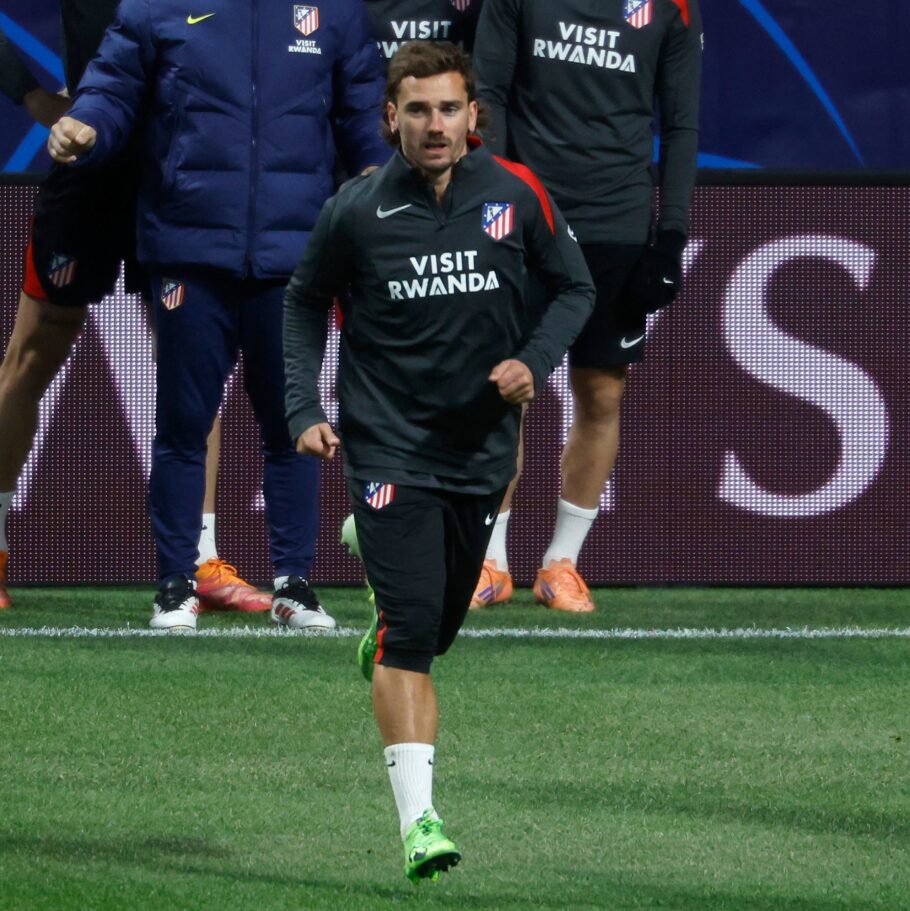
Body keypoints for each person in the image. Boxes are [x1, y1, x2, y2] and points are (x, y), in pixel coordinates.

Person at [283, 41, 593, 883]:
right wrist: (304, 408)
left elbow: (576, 287)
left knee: (436, 626)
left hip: (482, 451)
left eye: (449, 108)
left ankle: (385, 590)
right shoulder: (355, 209)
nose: (434, 124)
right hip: (387, 443)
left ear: (472, 115)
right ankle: (419, 821)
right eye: (417, 109)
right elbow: (305, 301)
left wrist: (534, 360)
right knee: (413, 640)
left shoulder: (516, 193)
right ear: (391, 117)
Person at [46, 0, 392, 631]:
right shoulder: (157, 4)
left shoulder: (335, 10)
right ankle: (175, 582)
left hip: (294, 254)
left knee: (292, 423)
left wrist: (377, 167)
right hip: (189, 245)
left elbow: (364, 108)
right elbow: (112, 86)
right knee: (183, 424)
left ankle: (293, 583)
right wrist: (85, 124)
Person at [470, 0, 703, 612]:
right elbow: (488, 94)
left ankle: (561, 563)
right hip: (528, 215)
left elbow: (681, 125)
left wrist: (671, 234)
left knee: (601, 393)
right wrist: (493, 199)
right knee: (504, 390)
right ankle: (489, 561)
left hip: (617, 223)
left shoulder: (674, 8)